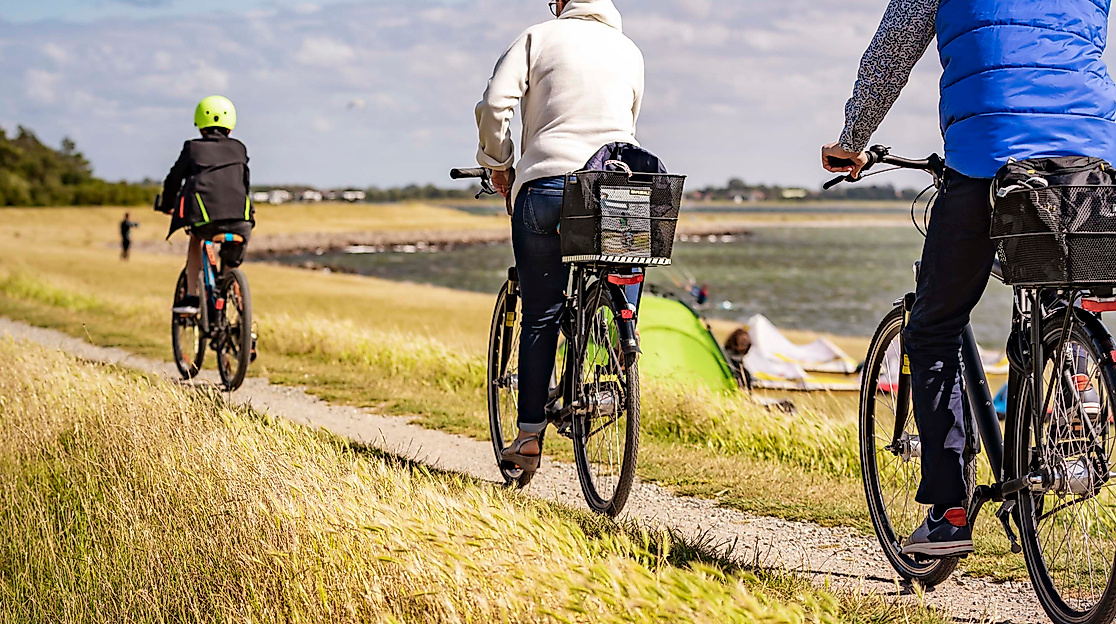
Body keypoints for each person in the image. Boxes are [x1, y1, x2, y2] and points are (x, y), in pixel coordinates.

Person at [821, 0, 1116, 557]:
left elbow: (891, 54)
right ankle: (1075, 379)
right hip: (1091, 155)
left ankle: (949, 511)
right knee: (1063, 290)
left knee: (933, 327)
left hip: (990, 150)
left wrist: (853, 140)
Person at [475, 0, 645, 471]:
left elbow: (494, 106)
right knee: (613, 278)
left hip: (547, 186)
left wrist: (498, 162)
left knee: (542, 314)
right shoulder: (630, 50)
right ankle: (612, 354)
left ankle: (529, 437)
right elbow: (627, 124)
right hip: (613, 191)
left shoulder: (538, 37)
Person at [158, 95, 255, 315]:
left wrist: (166, 205)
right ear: (230, 127)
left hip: (206, 221)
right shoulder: (239, 148)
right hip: (242, 222)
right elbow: (244, 183)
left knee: (196, 240)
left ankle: (191, 298)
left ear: (200, 125)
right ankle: (239, 314)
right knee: (232, 262)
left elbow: (174, 180)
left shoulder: (193, 148)